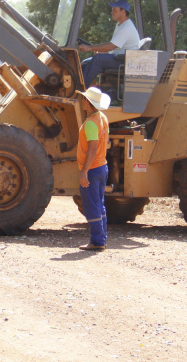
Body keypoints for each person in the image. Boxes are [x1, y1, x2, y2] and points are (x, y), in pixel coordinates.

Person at [76, 86, 111, 251]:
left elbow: (92, 148)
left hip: (93, 168)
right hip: (102, 166)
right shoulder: (102, 118)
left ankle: (97, 241)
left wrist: (84, 171)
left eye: (84, 98)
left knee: (92, 205)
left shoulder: (90, 123)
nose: (82, 101)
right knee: (100, 204)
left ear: (87, 102)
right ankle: (101, 239)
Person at [78, 0, 141, 86]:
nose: (112, 12)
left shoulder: (127, 27)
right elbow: (115, 46)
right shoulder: (120, 24)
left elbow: (111, 46)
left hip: (124, 61)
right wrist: (102, 51)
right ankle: (78, 85)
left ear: (123, 12)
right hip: (118, 57)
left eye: (115, 10)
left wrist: (89, 48)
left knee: (97, 59)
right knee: (86, 62)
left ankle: (80, 90)